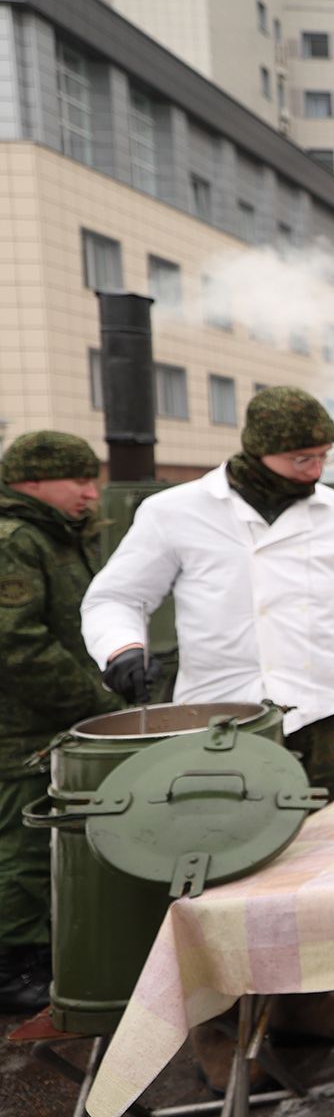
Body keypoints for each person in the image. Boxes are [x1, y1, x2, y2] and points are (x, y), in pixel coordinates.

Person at [81, 388, 334, 1080]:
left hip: (321, 713)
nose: (315, 469)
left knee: (312, 870)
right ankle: (219, 1032)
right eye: (301, 457)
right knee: (217, 876)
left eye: (323, 455)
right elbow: (118, 596)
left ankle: (305, 1004)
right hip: (221, 725)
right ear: (258, 450)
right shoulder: (177, 512)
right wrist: (120, 649)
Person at [0, 432, 122, 1015]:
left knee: (42, 841)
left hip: (52, 721)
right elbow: (16, 644)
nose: (91, 493)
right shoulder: (14, 541)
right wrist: (94, 704)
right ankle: (11, 968)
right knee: (20, 847)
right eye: (79, 480)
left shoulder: (57, 535)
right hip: (18, 729)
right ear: (33, 481)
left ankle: (40, 952)